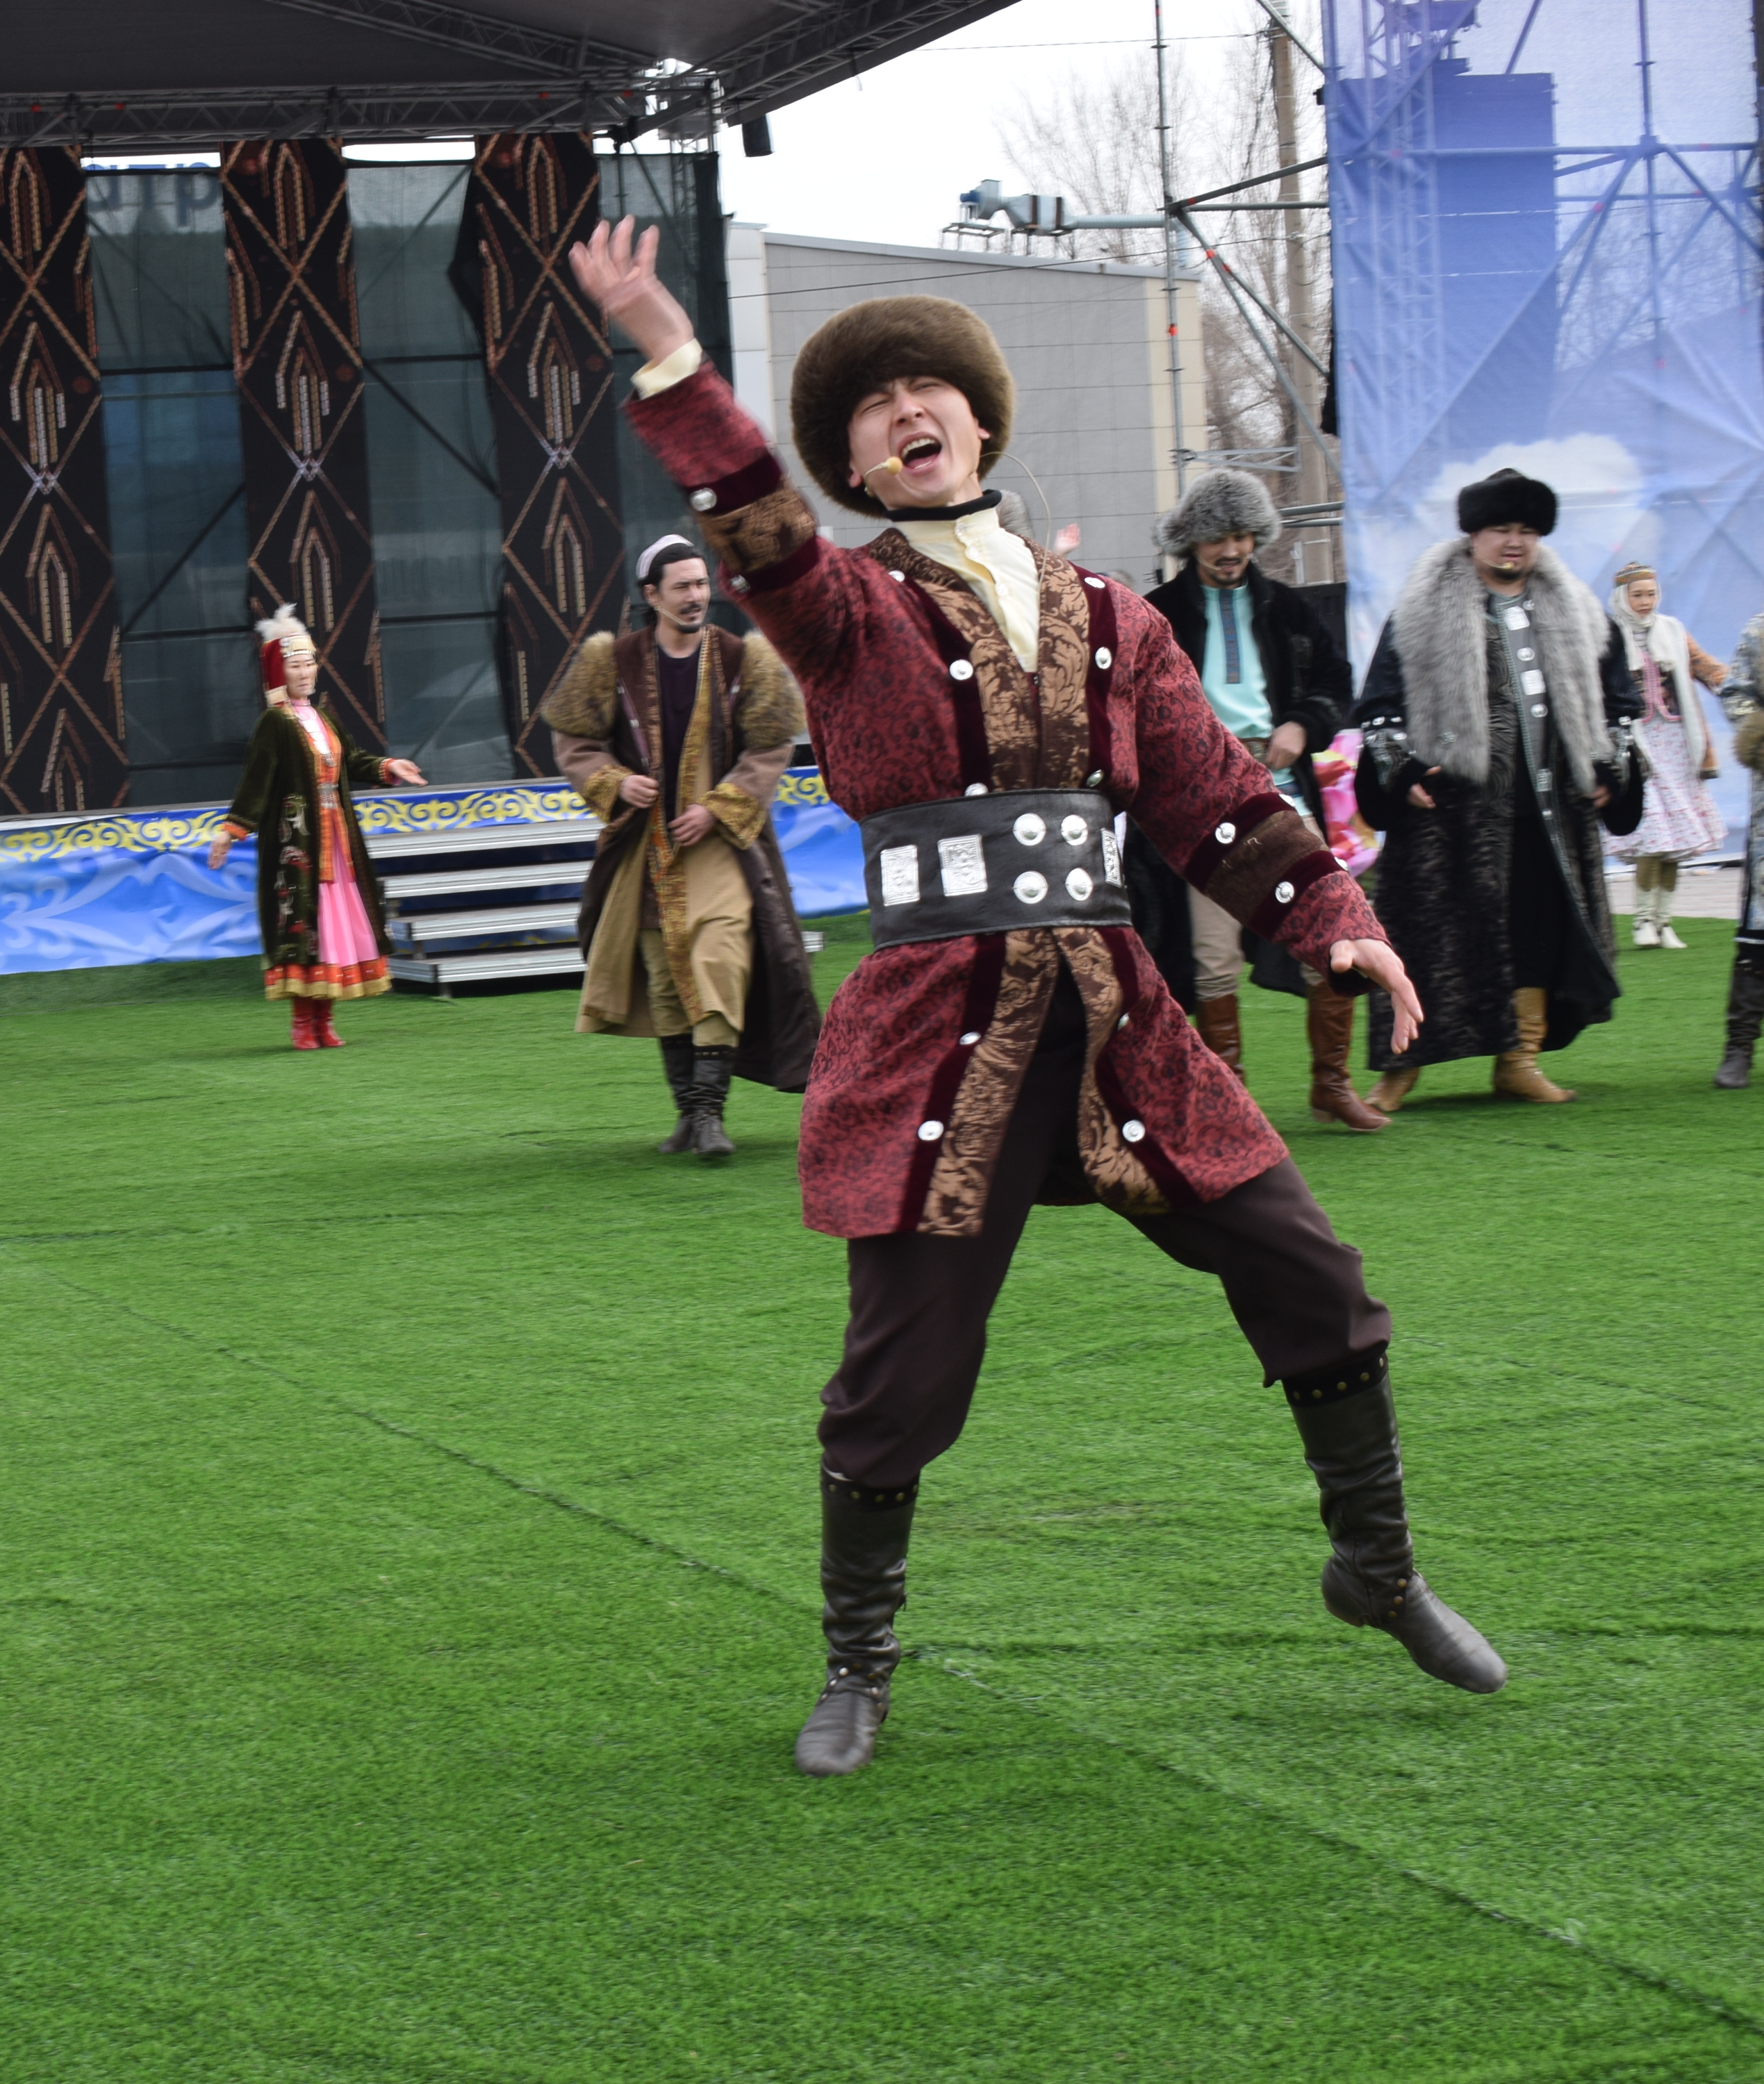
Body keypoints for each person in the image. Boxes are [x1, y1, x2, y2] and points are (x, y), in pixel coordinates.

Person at [565, 219, 1503, 1780]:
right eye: (873, 408)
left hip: (1120, 1018)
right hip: (932, 1033)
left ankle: (1378, 1569)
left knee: (1314, 1278)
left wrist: (1336, 922)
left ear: (979, 421)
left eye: (926, 391)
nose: (904, 412)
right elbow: (753, 520)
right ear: (855, 461)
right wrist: (669, 355)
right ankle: (857, 1662)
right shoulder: (840, 610)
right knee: (903, 1372)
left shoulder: (1115, 618)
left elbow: (1216, 804)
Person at [1352, 470, 1640, 1109]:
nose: (1515, 542)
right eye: (1502, 529)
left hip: (1547, 810)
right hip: (1450, 811)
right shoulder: (1424, 607)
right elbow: (1379, 707)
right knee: (1426, 939)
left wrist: (1609, 767)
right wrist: (1401, 773)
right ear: (1474, 534)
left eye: (1527, 530)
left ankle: (1519, 1060)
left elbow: (1621, 702)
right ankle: (1400, 1069)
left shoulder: (1578, 610)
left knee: (1535, 931)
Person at [543, 534, 821, 1156]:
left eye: (701, 584)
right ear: (652, 595)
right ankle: (690, 1116)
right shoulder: (610, 661)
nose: (697, 597)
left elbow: (769, 747)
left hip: (721, 848)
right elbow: (575, 745)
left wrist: (719, 807)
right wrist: (616, 782)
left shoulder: (745, 659)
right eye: (683, 587)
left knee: (720, 963)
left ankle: (711, 1116)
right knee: (666, 984)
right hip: (644, 852)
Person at [1139, 469, 1385, 1133]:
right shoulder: (1155, 612)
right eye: (1218, 537)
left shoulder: (1290, 609)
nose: (1232, 550)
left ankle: (1332, 1085)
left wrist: (1302, 724)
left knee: (1332, 929)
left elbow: (1336, 682)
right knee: (1211, 955)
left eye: (1243, 535)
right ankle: (1231, 1103)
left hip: (1283, 794)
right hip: (1196, 805)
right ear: (1191, 541)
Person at [206, 609, 425, 1049]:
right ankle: (302, 1022)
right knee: (303, 922)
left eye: (309, 663)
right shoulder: (275, 723)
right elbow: (256, 782)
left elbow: (353, 760)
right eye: (295, 665)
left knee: (333, 926)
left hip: (337, 841)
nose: (305, 672)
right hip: (297, 843)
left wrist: (388, 766)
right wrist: (231, 831)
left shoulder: (324, 718)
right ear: (279, 672)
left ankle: (325, 1019)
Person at [1604, 562, 1727, 950]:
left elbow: (1707, 668)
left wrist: (1742, 687)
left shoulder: (1672, 630)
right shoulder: (1608, 635)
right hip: (1635, 742)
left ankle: (1664, 920)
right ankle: (1643, 920)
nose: (1645, 602)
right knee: (1652, 835)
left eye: (1651, 594)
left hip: (1676, 739)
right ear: (1622, 597)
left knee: (1676, 837)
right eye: (1637, 595)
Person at [1715, 612, 1764, 1088]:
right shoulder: (1759, 630)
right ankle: (1740, 1047)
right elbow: (1735, 692)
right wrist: (1759, 734)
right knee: (1760, 931)